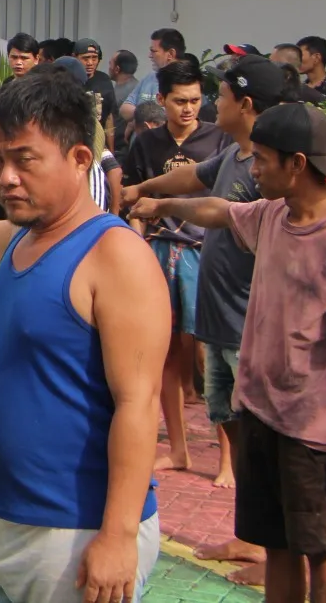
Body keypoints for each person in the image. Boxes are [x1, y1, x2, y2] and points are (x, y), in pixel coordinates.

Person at [0, 71, 170, 603]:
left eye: (26, 160)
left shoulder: (115, 256)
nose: (8, 178)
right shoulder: (22, 239)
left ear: (80, 159)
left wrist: (117, 536)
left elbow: (139, 404)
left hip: (76, 529)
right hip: (6, 515)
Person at [129, 103, 326, 603]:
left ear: (297, 164)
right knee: (278, 546)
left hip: (311, 428)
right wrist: (162, 204)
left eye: (264, 159)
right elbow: (218, 211)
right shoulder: (271, 215)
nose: (255, 170)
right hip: (259, 414)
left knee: (321, 548)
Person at [122, 54, 285, 584]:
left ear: (246, 104)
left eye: (222, 96)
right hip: (220, 318)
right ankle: (249, 535)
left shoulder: (272, 166)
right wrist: (144, 188)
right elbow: (193, 176)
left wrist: (161, 206)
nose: (212, 105)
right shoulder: (234, 155)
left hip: (250, 321)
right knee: (233, 425)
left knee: (265, 439)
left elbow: (221, 211)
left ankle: (278, 554)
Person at [121, 59, 230, 472]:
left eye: (195, 101)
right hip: (158, 250)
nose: (189, 108)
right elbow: (132, 200)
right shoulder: (146, 143)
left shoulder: (219, 140)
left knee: (209, 354)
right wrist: (137, 243)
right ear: (162, 100)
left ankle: (227, 456)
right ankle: (178, 449)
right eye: (180, 101)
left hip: (205, 252)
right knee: (163, 352)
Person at [119, 27, 185, 125]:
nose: (150, 55)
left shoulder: (185, 82)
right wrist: (146, 116)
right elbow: (124, 110)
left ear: (171, 54)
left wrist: (138, 118)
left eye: (154, 51)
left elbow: (170, 119)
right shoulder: (149, 77)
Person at [76, 39, 117, 144]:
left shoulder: (104, 80)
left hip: (98, 140)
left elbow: (109, 117)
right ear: (75, 57)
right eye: (85, 58)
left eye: (94, 58)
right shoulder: (69, 80)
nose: (90, 63)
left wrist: (111, 149)